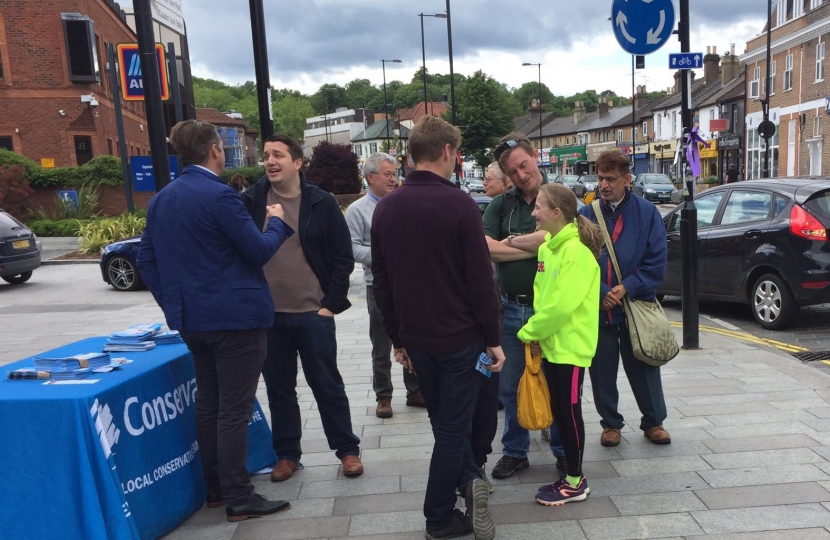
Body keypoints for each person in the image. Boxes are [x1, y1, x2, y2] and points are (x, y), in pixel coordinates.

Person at [136, 120, 292, 522]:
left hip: (194, 322)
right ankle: (240, 496)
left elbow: (147, 260)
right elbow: (258, 251)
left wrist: (175, 306)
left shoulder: (162, 199)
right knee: (232, 410)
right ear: (213, 151)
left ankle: (218, 489)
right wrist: (277, 222)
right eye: (221, 146)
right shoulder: (221, 197)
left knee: (209, 405)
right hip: (236, 321)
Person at [372, 116, 504, 540]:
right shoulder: (460, 204)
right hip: (462, 341)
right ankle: (439, 516)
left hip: (417, 339)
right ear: (447, 151)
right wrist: (494, 338)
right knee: (452, 428)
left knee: (444, 421)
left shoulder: (387, 206)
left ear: (412, 153)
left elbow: (382, 280)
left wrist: (397, 338)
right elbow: (479, 281)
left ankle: (469, 481)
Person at [241, 134, 363, 482]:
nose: (270, 161)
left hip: (313, 314)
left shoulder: (320, 203)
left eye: (278, 154)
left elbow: (342, 257)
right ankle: (287, 455)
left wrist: (331, 304)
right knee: (279, 390)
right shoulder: (250, 200)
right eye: (266, 155)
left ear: (297, 163)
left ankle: (347, 450)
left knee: (328, 385)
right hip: (269, 316)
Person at [482, 133, 566, 480]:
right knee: (512, 385)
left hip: (554, 310)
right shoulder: (501, 205)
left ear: (535, 156)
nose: (520, 174)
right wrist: (540, 244)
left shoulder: (561, 197)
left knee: (559, 383)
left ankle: (564, 450)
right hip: (512, 309)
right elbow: (484, 247)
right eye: (511, 171)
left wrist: (512, 242)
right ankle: (516, 451)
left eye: (523, 164)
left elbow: (563, 238)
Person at [517, 183, 602, 506]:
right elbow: (544, 297)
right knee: (562, 414)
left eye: (539, 206)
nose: (533, 212)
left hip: (570, 349)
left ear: (556, 212)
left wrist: (529, 331)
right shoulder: (548, 248)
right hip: (552, 346)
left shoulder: (576, 253)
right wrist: (538, 333)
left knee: (568, 414)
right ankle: (571, 477)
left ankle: (576, 481)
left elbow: (562, 306)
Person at [578, 150, 670, 447]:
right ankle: (611, 424)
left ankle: (653, 421)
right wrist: (602, 293)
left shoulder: (647, 213)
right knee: (602, 369)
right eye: (600, 178)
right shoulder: (587, 214)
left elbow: (656, 261)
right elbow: (578, 262)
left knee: (644, 364)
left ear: (627, 179)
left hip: (634, 304)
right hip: (599, 306)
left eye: (610, 179)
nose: (604, 185)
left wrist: (626, 287)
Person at [345, 152, 423, 419]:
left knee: (411, 338)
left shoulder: (403, 204)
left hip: (407, 284)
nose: (393, 179)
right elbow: (352, 248)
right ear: (370, 177)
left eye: (395, 174)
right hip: (376, 285)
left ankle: (414, 390)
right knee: (381, 344)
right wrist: (383, 257)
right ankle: (383, 396)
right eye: (388, 174)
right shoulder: (357, 210)